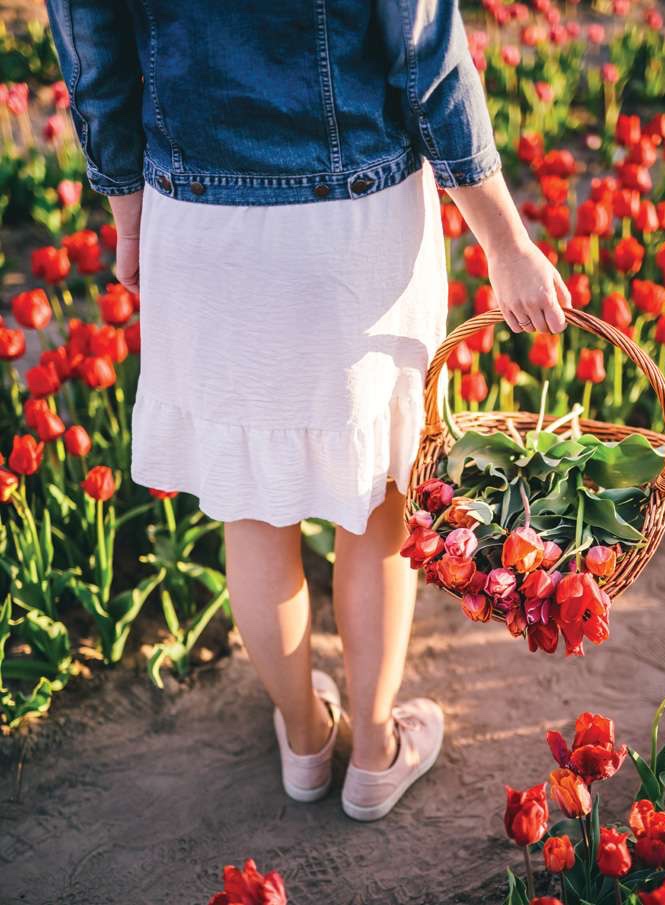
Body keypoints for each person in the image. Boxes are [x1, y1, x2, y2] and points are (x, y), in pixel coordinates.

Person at [46, 0, 571, 822]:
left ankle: (303, 739)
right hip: (353, 214)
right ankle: (373, 752)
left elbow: (92, 44)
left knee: (253, 509)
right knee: (379, 503)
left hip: (198, 214)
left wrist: (126, 212)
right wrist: (503, 240)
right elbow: (423, 45)